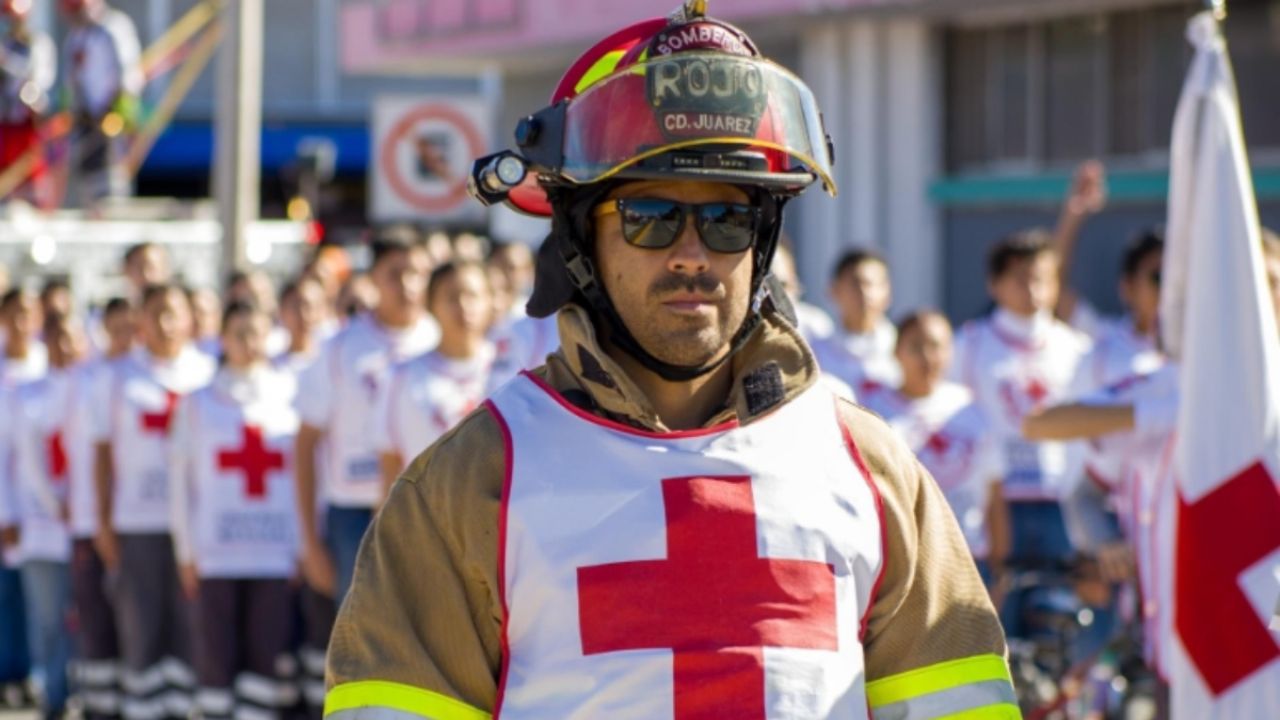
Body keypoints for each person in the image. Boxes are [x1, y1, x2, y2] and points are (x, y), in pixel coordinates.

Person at [325, 3, 1016, 718]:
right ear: (580, 243)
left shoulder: (870, 469)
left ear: (763, 242)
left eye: (727, 219)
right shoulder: (469, 485)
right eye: (649, 216)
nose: (692, 254)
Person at [169, 300, 301, 720]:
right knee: (215, 661)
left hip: (274, 554)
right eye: (239, 333)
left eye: (257, 332)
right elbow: (180, 486)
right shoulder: (197, 403)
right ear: (222, 339)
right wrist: (185, 553)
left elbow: (303, 478)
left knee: (265, 659)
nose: (249, 342)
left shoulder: (292, 394)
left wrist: (301, 545)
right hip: (216, 555)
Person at [92, 284, 215, 720]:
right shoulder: (118, 376)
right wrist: (103, 523)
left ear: (189, 319)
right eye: (156, 313)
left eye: (174, 313)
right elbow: (103, 456)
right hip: (137, 522)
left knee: (188, 626)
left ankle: (182, 711)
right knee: (140, 628)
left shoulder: (207, 371)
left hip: (195, 527)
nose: (165, 324)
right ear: (140, 320)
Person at [294, 237, 437, 608]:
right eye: (395, 274)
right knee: (361, 636)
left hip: (429, 507)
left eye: (416, 273)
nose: (406, 284)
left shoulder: (438, 339)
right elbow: (306, 441)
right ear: (373, 277)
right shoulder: (340, 347)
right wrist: (310, 542)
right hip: (353, 512)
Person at [950, 230, 1091, 566]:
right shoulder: (968, 345)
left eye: (1042, 278)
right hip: (994, 504)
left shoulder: (1077, 348)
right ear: (994, 284)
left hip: (1062, 503)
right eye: (1019, 278)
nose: (1032, 289)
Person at [859, 310, 1007, 583]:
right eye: (916, 347)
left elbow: (994, 493)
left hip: (969, 561)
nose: (927, 358)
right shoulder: (872, 412)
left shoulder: (970, 409)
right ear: (896, 352)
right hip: (902, 565)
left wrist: (999, 572)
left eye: (936, 346)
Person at [3, 312, 86, 719]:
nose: (67, 348)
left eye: (74, 339)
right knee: (48, 616)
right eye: (59, 339)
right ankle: (53, 694)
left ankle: (85, 689)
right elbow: (25, 461)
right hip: (41, 525)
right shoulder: (26, 394)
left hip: (86, 524)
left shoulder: (92, 388)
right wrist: (53, 504)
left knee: (84, 615)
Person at [375, 261, 496, 498]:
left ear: (491, 301)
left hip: (499, 524)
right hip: (426, 521)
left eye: (472, 295)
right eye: (452, 297)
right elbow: (389, 465)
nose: (463, 306)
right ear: (430, 306)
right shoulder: (401, 376)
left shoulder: (515, 371)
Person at [70, 297, 132, 719]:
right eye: (118, 326)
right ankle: (99, 708)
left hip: (133, 519)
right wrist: (97, 523)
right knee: (97, 622)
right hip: (92, 521)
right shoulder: (91, 380)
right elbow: (91, 458)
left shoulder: (142, 379)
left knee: (135, 625)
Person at [0, 288, 45, 703]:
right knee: (9, 593)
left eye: (28, 314)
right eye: (14, 314)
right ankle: (11, 673)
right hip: (9, 503)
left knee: (44, 599)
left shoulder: (48, 365)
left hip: (48, 508)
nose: (21, 323)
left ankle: (39, 674)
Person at [60, 0, 142, 204]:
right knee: (84, 168)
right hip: (86, 117)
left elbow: (129, 73)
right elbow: (72, 78)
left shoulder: (114, 28)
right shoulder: (76, 37)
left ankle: (111, 207)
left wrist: (116, 108)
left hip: (111, 114)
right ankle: (90, 208)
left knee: (111, 168)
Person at [1072, 229, 1165, 393]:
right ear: (1128, 287)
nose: (1169, 289)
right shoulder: (1100, 353)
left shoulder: (1206, 351)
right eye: (1158, 277)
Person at [810, 247, 900, 392]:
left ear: (888, 292)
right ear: (834, 290)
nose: (864, 292)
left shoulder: (903, 349)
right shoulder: (814, 354)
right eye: (855, 283)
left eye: (872, 284)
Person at [0, 0, 56, 206]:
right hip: (5, 128)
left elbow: (38, 82)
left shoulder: (37, 44)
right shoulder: (4, 44)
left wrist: (7, 64)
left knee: (32, 179)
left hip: (27, 126)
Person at [770, 237, 836, 344]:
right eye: (763, 287)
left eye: (781, 286)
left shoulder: (815, 327)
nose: (773, 297)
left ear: (795, 284)